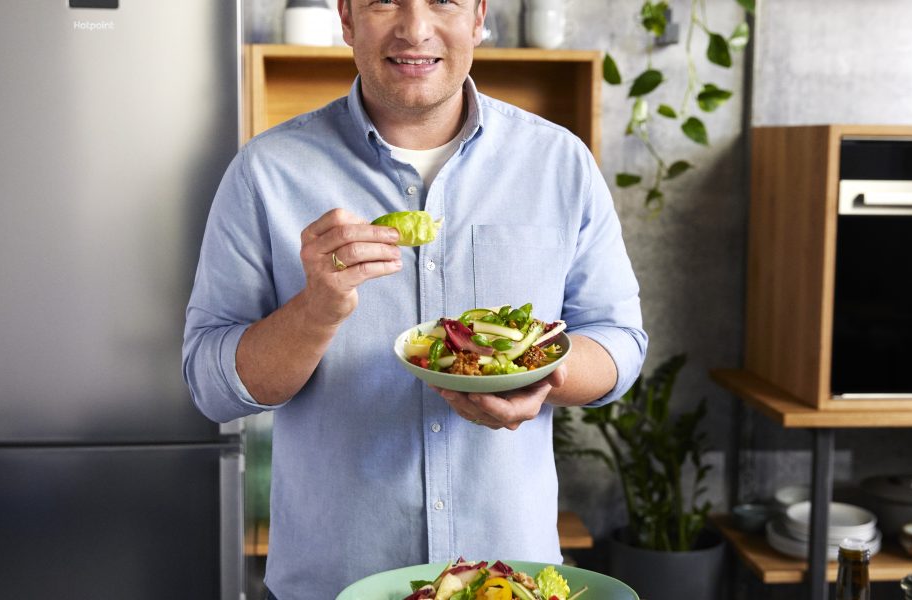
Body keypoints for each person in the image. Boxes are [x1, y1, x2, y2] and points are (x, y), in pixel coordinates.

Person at [182, 0, 646, 597]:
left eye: (443, 2)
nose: (415, 28)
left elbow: (620, 343)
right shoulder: (265, 172)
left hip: (508, 580)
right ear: (347, 18)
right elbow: (210, 384)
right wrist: (313, 312)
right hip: (334, 582)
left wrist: (541, 376)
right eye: (384, 1)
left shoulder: (560, 164)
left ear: (478, 16)